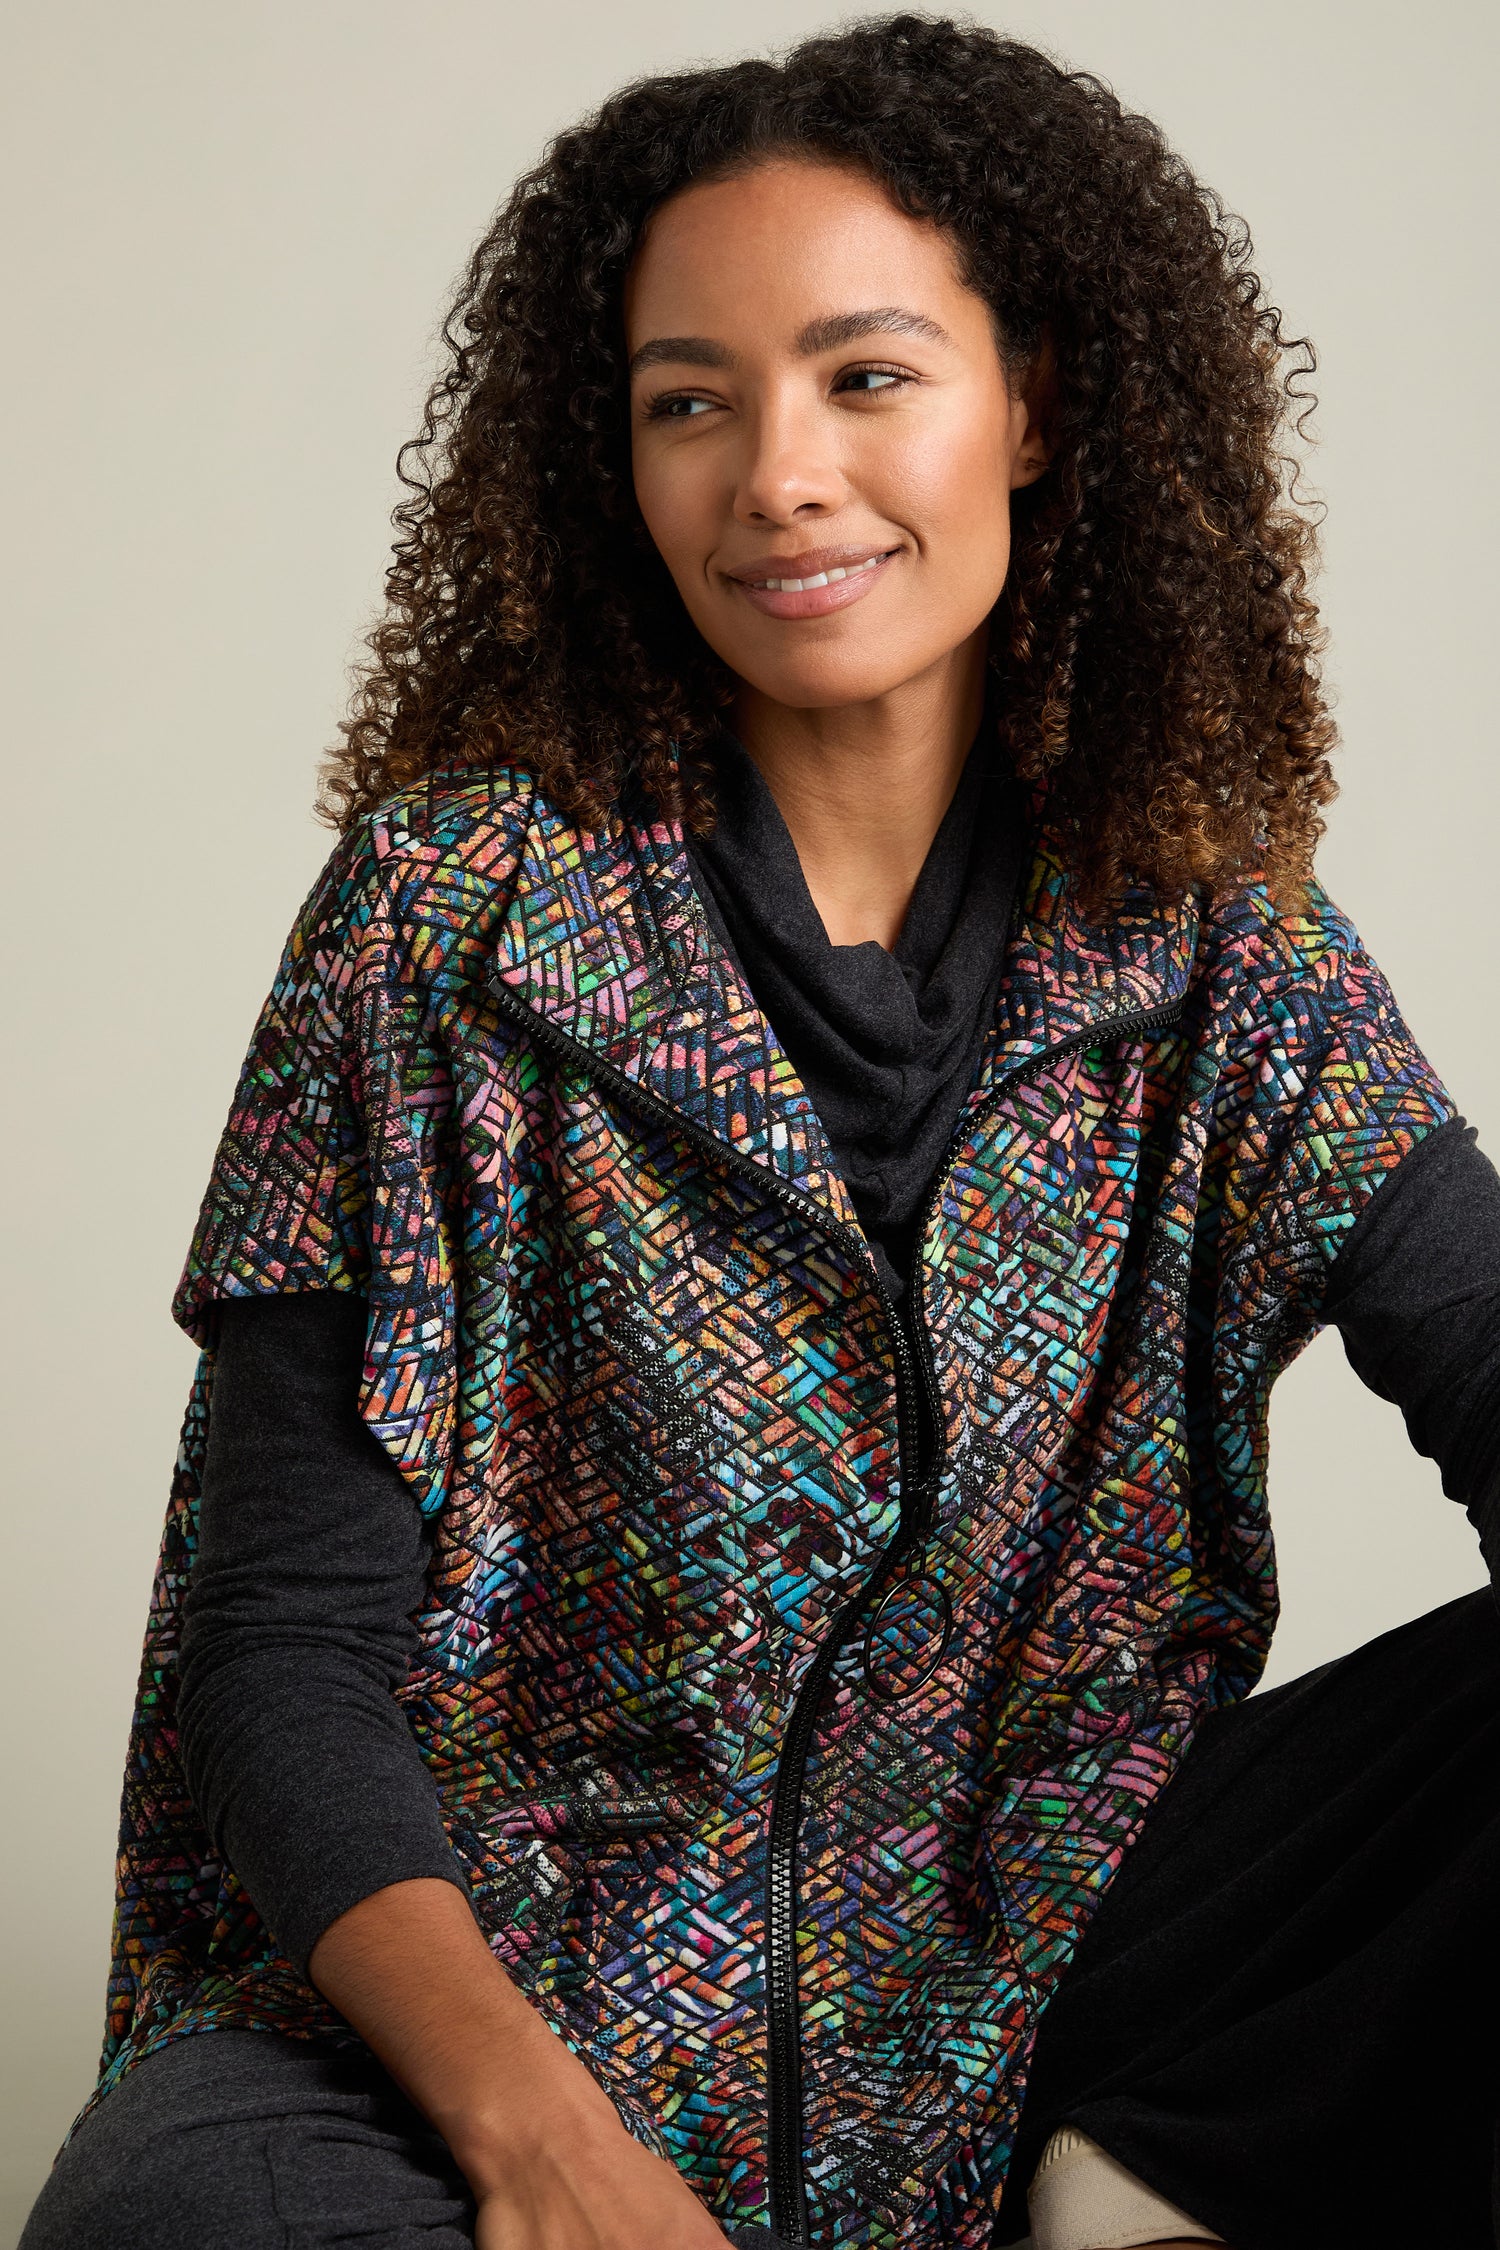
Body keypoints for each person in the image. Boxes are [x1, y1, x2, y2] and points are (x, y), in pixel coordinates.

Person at [22, 16, 1500, 2250]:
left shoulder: (1232, 965)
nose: (779, 472)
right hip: (464, 2030)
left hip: (1047, 2003)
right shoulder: (442, 930)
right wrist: (544, 2146)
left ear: (1041, 409)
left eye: (869, 376)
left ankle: (1140, 2190)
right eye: (689, 401)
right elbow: (283, 1656)